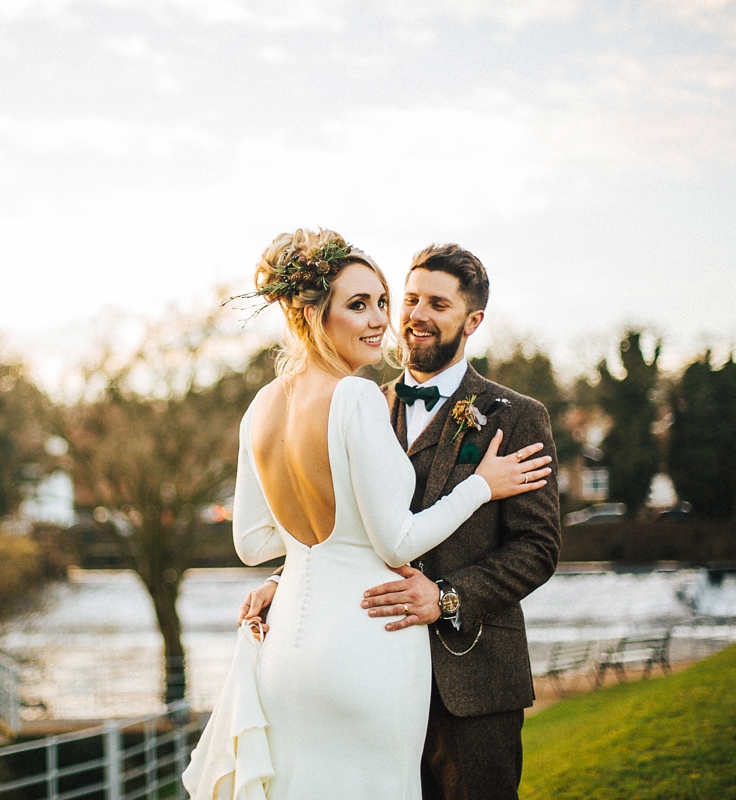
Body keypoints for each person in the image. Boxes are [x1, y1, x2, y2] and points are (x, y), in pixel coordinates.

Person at [207, 229, 551, 800]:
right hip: (376, 654)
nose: (406, 317)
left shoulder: (516, 416)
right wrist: (288, 573)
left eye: (434, 304)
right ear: (317, 313)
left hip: (471, 680)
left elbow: (538, 549)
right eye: (408, 299)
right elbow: (372, 535)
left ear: (473, 321)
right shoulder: (363, 396)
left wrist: (446, 597)